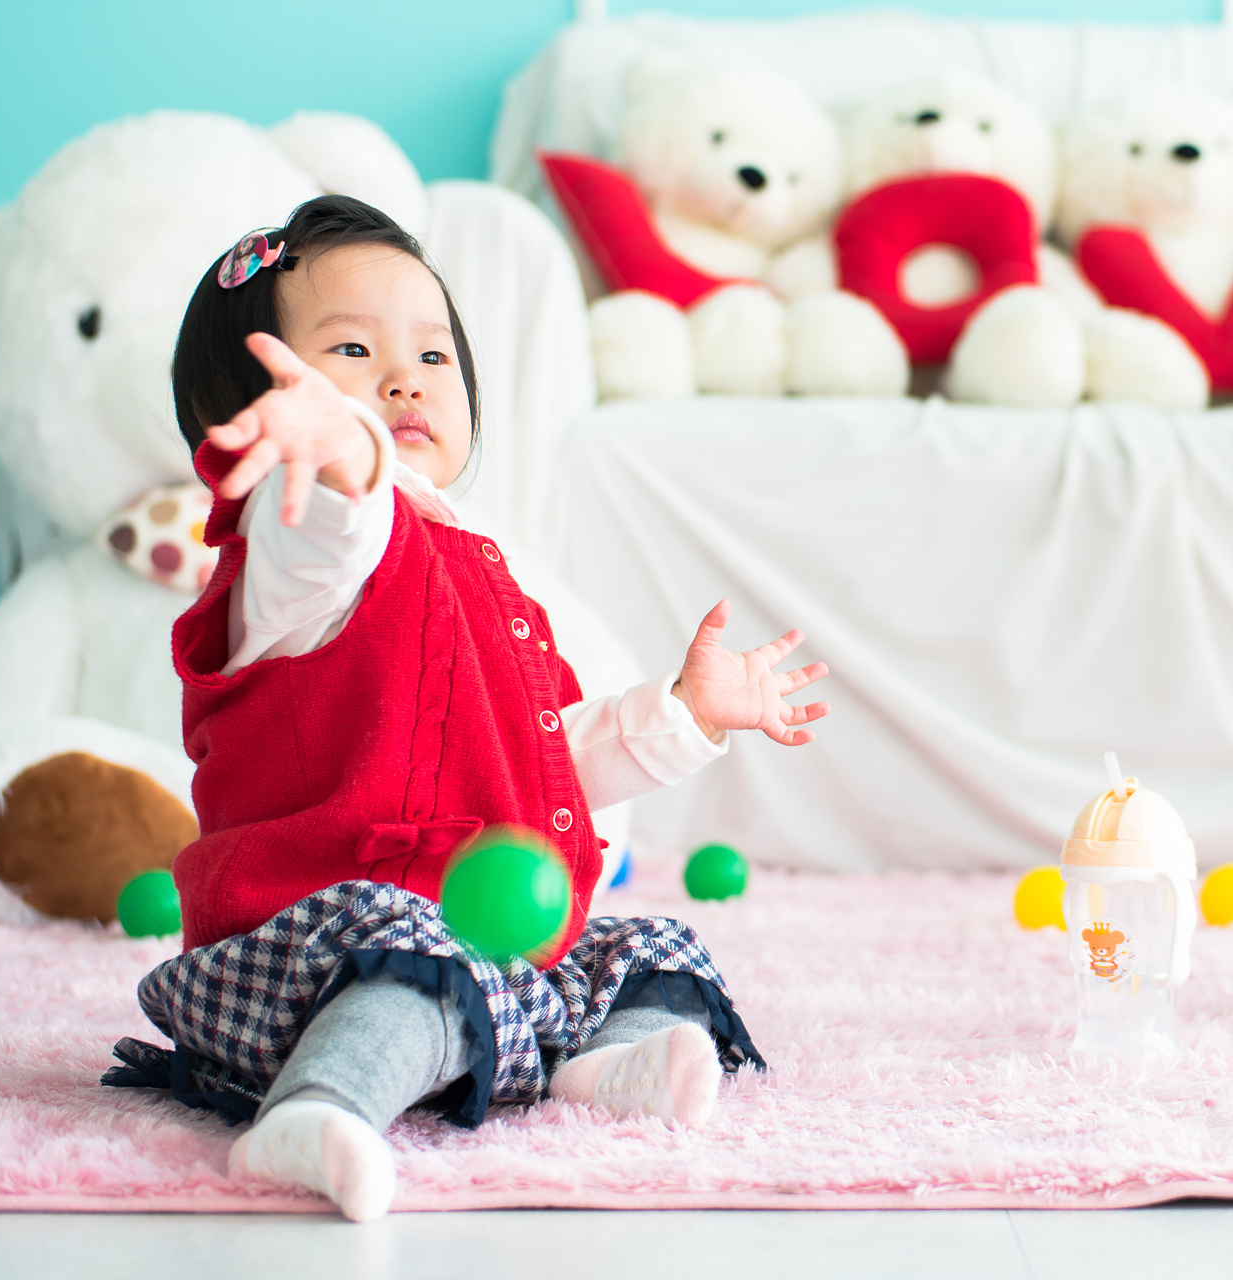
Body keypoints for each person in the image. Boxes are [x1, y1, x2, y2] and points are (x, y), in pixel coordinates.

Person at [107, 194, 827, 1222]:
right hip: (306, 947)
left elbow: (544, 757)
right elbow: (341, 516)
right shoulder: (297, 542)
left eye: (433, 354)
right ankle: (318, 1107)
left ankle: (599, 1065)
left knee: (646, 952)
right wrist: (336, 452)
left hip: (476, 943)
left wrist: (685, 713)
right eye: (352, 350)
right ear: (258, 407)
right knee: (417, 964)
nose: (405, 378)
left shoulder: (478, 571)